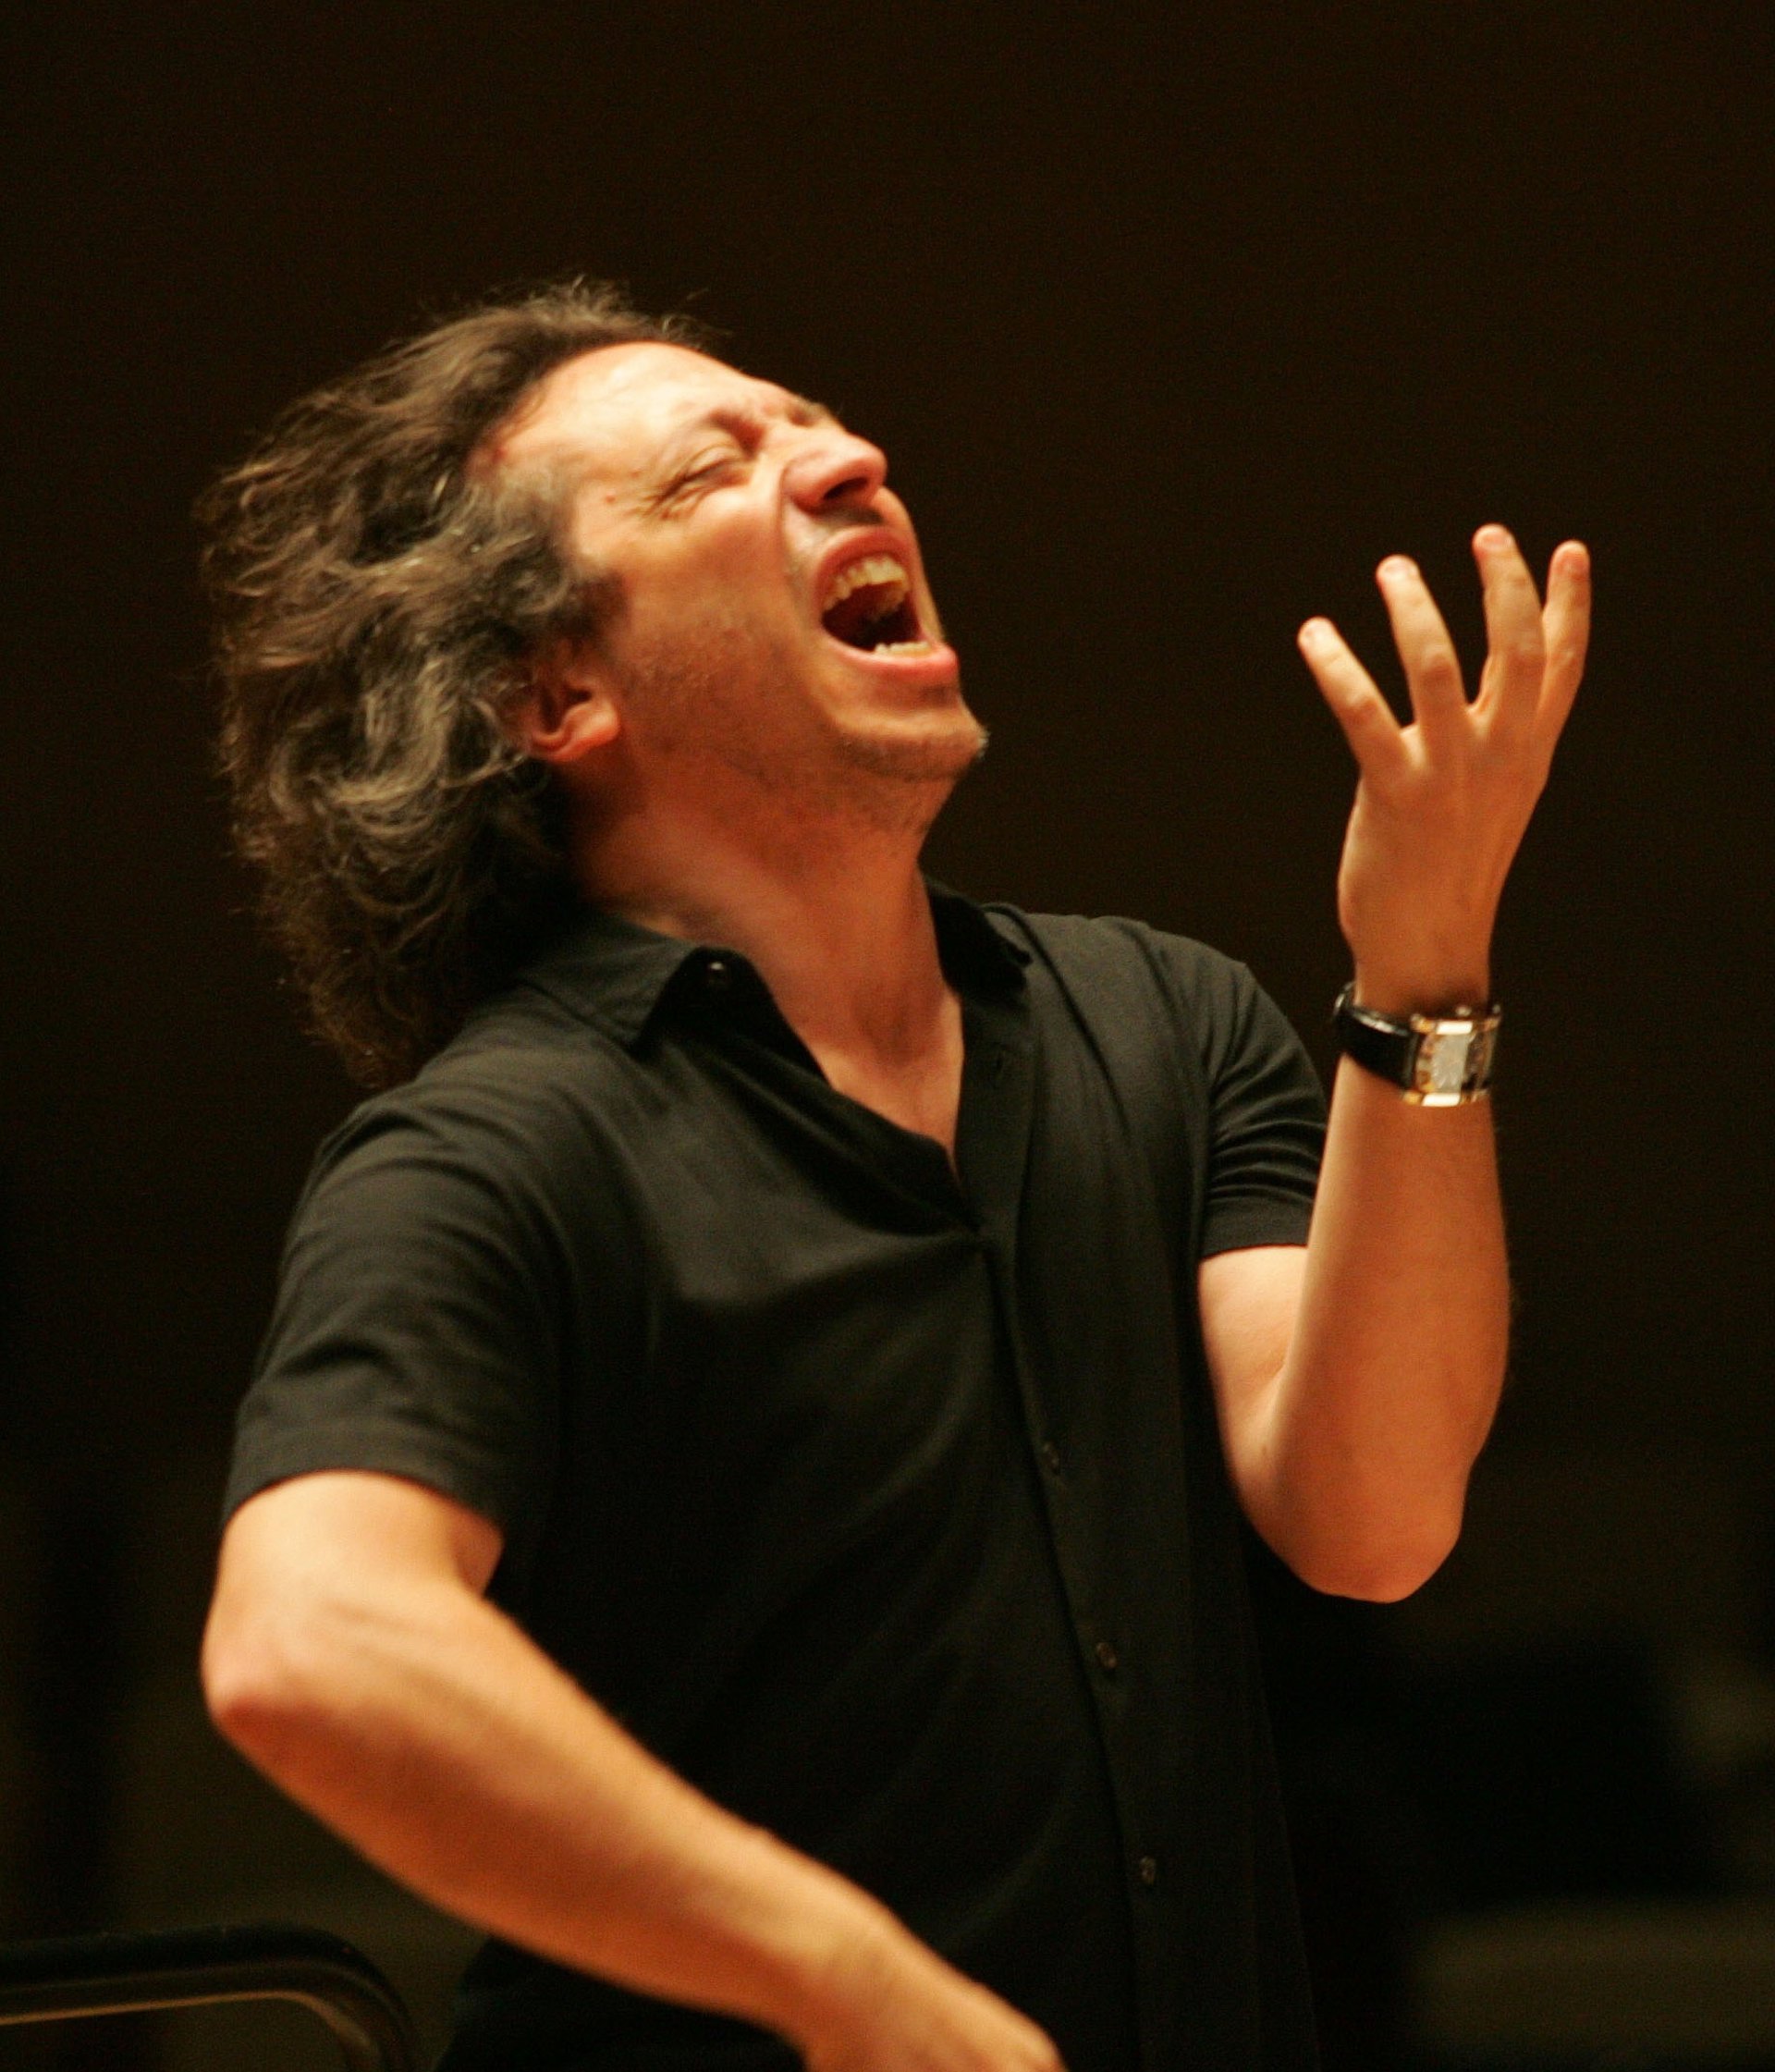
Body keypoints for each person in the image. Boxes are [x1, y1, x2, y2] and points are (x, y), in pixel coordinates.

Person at [197, 281, 1589, 2072]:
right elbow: (310, 1638)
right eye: (711, 470)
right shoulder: (500, 1151)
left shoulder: (1159, 1019)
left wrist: (1425, 966)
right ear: (554, 692)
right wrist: (840, 1975)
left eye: (819, 423)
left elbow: (1374, 1516)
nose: (850, 458)